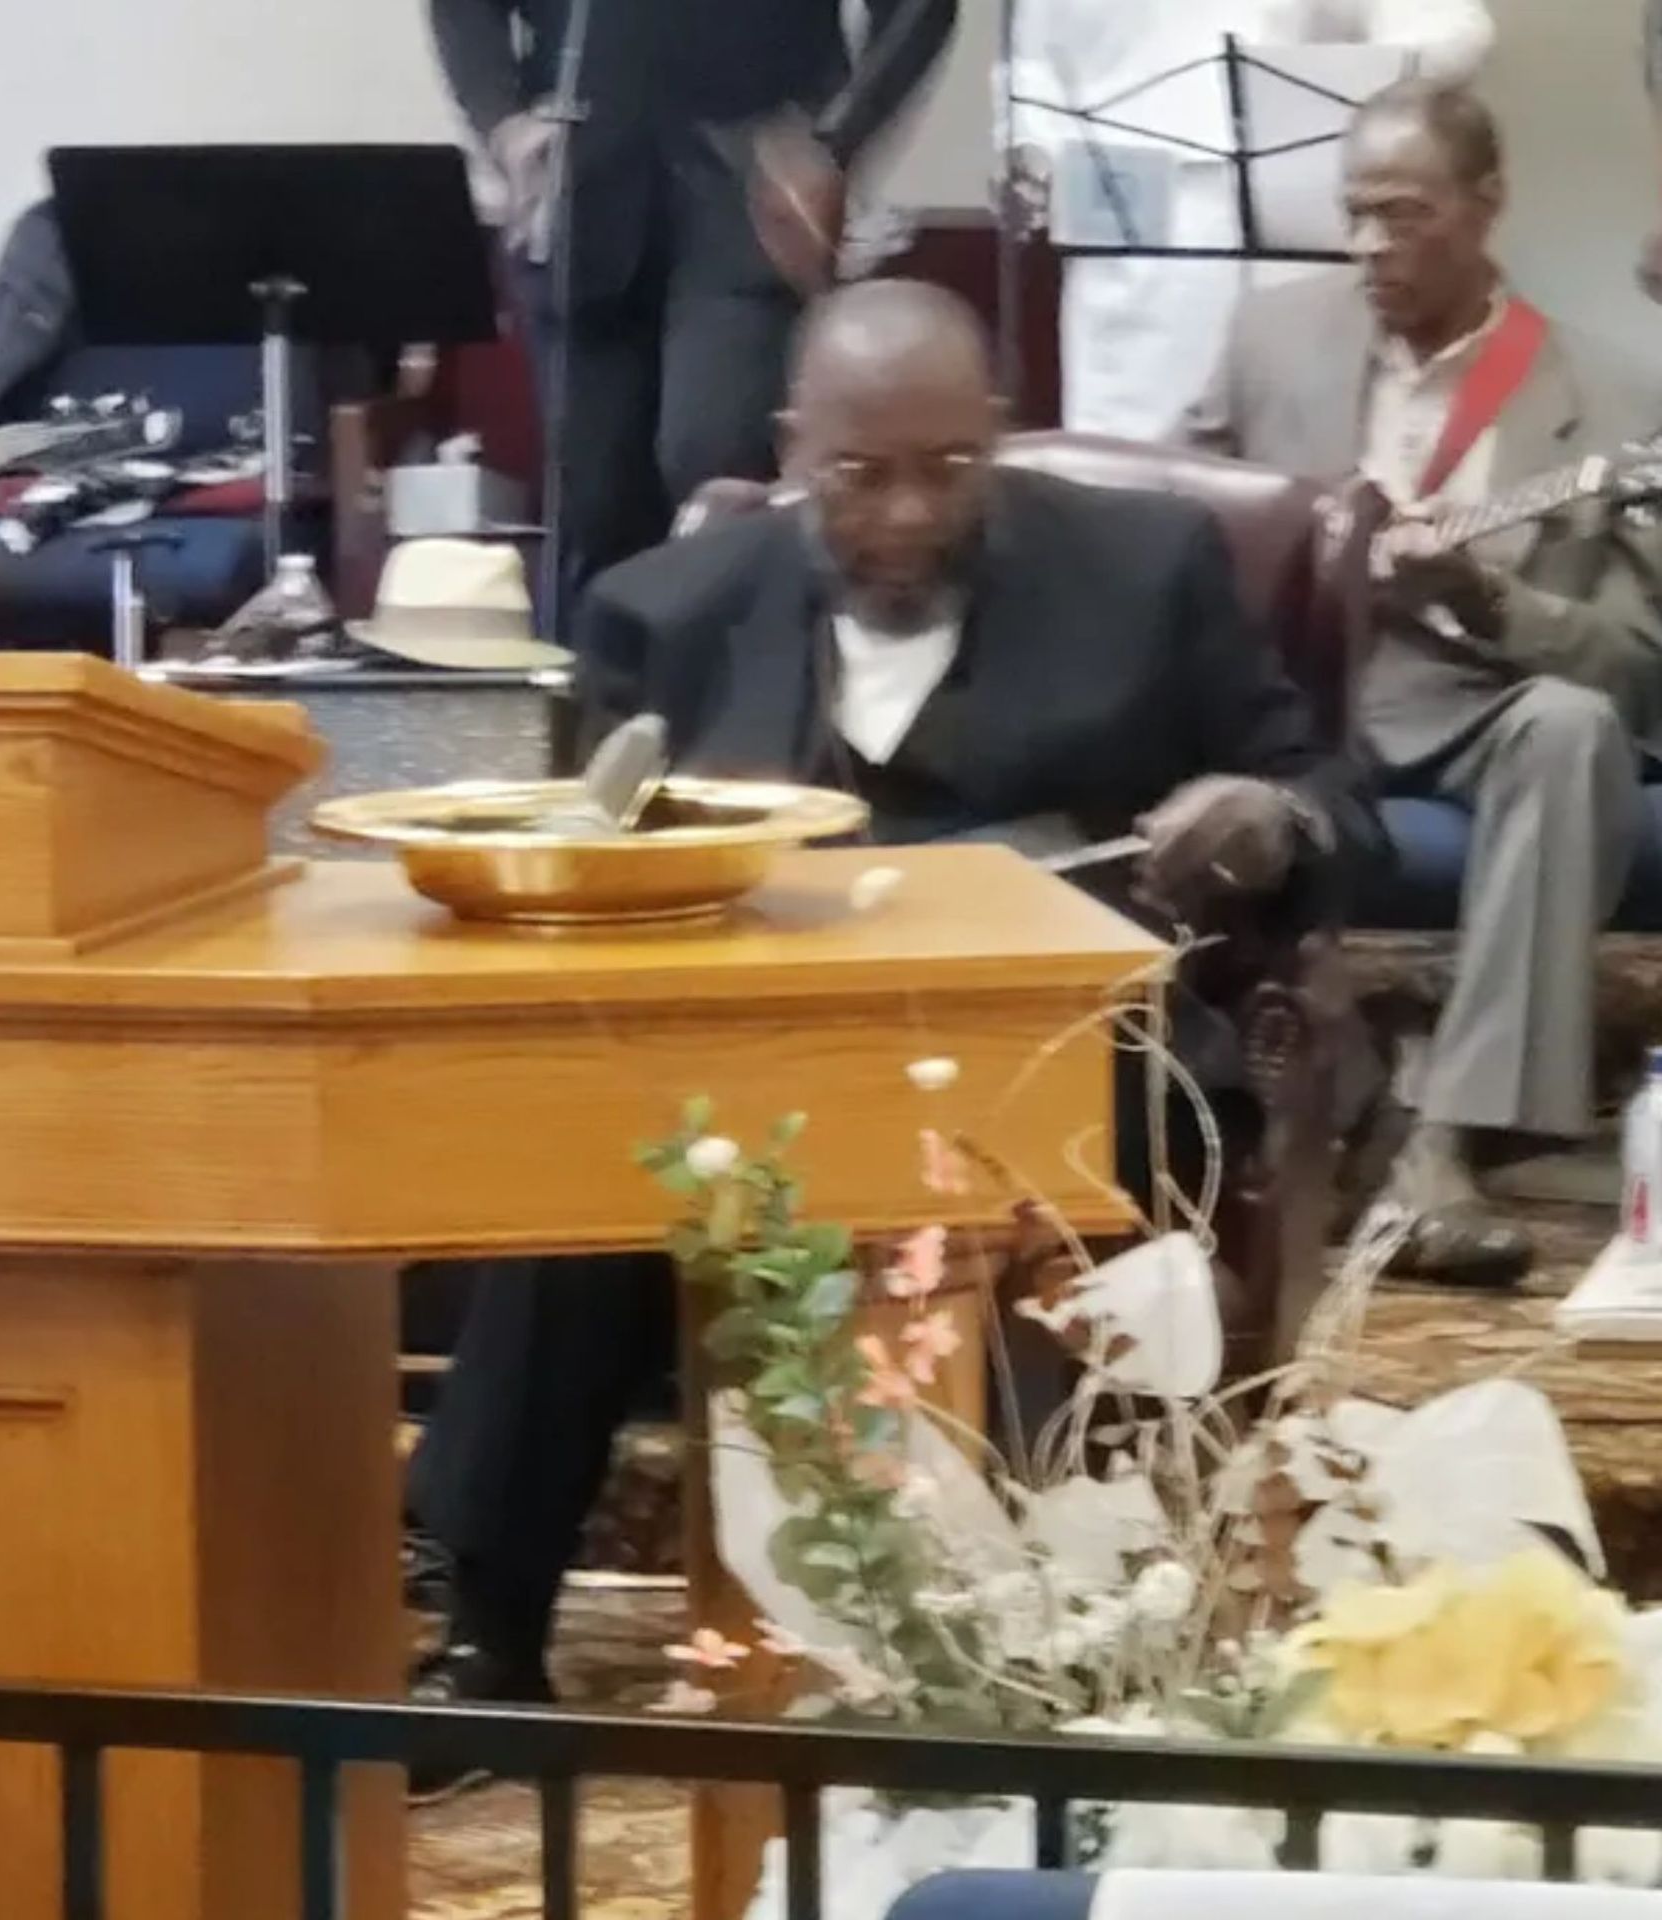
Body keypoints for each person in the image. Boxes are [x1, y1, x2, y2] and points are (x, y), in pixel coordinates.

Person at [407, 279, 1379, 1745]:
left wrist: (1268, 814)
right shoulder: (665, 610)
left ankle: (1033, 1652)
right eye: (863, 475)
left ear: (1000, 433)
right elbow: (594, 864)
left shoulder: (1147, 568)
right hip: (753, 1058)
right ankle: (488, 1629)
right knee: (594, 1180)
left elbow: (1337, 802)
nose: (912, 514)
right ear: (794, 449)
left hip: (1064, 1048)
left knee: (1034, 1204)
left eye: (952, 468)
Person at [1187, 80, 1662, 1286]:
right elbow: (1170, 526)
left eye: (1405, 214)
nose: (1370, 245)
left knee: (1573, 725)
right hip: (1294, 698)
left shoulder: (1610, 398)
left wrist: (1486, 596)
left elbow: (1639, 669)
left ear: (1487, 205)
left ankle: (1446, 1134)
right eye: (1355, 213)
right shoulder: (1269, 337)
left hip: (1470, 703)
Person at [425, 0, 961, 619]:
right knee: (595, 501)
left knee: (714, 462)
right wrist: (503, 122)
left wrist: (835, 139)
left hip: (752, 182)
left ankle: (732, 670)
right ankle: (606, 673)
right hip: (582, 184)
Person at [1001, 0, 1493, 442]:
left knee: (1301, 445)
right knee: (1128, 463)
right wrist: (1031, 151)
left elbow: (1454, 29)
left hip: (1290, 214)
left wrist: (1360, 75)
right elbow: (1031, 65)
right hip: (1128, 232)